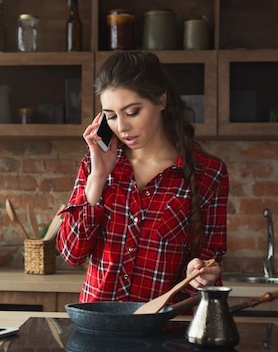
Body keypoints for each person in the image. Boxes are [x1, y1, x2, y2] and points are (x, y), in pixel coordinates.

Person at [57, 51, 228, 304]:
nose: (122, 127)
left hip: (165, 331)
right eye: (112, 116)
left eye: (132, 112)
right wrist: (98, 176)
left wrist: (200, 272)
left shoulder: (209, 173)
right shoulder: (96, 165)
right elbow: (71, 254)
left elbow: (208, 261)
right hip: (98, 329)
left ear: (161, 100)